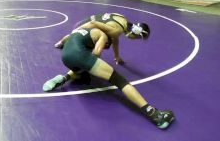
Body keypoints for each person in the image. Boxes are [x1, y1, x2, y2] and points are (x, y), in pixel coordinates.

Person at [43, 27, 175, 129]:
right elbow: (96, 53)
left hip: (65, 57)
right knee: (119, 80)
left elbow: (65, 40)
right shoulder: (102, 34)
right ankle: (154, 115)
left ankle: (64, 78)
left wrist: (61, 44)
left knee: (82, 69)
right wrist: (96, 63)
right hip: (80, 55)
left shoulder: (81, 31)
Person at [55, 13, 149, 65]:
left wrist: (117, 57)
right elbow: (93, 24)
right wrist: (76, 31)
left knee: (106, 37)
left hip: (87, 20)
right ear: (135, 31)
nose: (135, 40)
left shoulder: (123, 19)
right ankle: (65, 42)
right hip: (85, 24)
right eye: (136, 38)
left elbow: (116, 40)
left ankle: (61, 42)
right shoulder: (117, 30)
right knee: (106, 42)